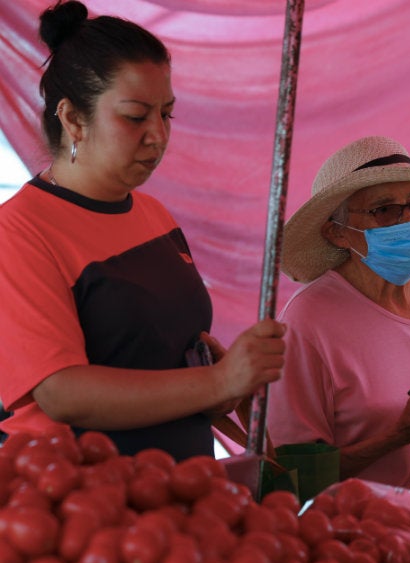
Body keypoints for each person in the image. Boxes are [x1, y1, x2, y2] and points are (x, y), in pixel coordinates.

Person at [0, 1, 286, 461]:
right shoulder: (19, 232)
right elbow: (61, 391)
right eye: (135, 116)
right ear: (73, 118)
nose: (158, 134)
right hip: (82, 501)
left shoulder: (152, 213)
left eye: (166, 114)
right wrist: (216, 381)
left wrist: (216, 375)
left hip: (182, 486)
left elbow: (163, 359)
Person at [267, 135, 410, 488]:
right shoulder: (307, 321)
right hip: (359, 529)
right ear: (337, 233)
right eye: (384, 210)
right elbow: (290, 474)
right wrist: (400, 434)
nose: (409, 220)